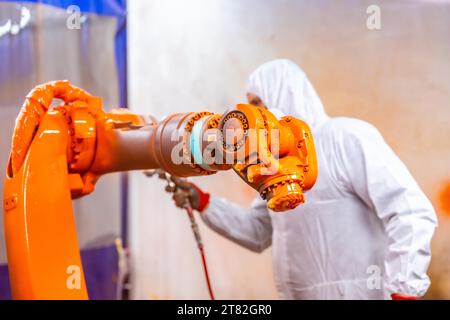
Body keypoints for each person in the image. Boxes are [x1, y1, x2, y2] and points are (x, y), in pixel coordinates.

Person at [172, 59, 437, 300]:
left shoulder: (345, 138)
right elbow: (259, 232)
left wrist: (404, 288)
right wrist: (205, 203)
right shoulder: (271, 165)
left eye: (257, 104)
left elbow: (410, 211)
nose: (252, 117)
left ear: (284, 94)